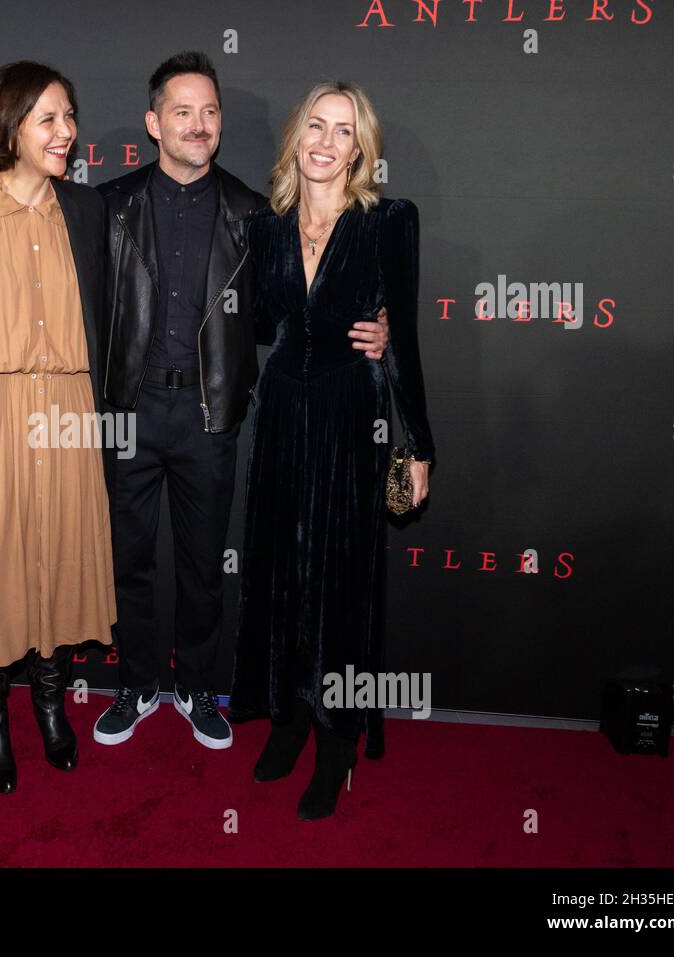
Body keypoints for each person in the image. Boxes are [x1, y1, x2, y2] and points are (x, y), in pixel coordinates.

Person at [93, 54, 389, 752]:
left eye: (209, 112)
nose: (199, 125)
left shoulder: (254, 215)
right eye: (183, 111)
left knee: (203, 563)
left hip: (210, 415)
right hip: (127, 411)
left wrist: (368, 331)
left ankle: (196, 687)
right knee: (127, 558)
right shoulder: (109, 206)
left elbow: (291, 316)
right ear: (153, 122)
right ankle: (136, 684)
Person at [227, 81, 436, 820]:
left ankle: (335, 739)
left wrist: (418, 443)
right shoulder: (268, 226)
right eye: (315, 125)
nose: (325, 141)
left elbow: (402, 339)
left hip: (354, 417)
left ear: (360, 149)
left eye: (342, 131)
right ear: (297, 136)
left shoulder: (388, 223)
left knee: (340, 582)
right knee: (282, 572)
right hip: (282, 412)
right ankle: (286, 719)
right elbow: (256, 322)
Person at [0, 62, 115, 794]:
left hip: (69, 418)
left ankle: (49, 705)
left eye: (69, 116)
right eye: (48, 118)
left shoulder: (88, 210)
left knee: (58, 565)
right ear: (7, 124)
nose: (66, 132)